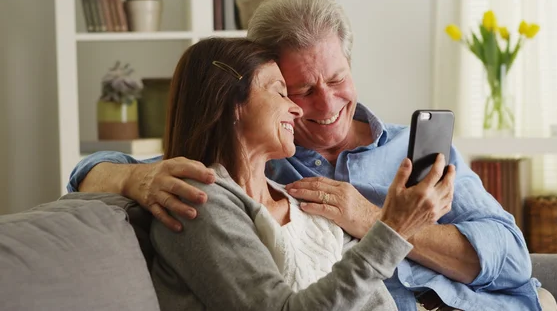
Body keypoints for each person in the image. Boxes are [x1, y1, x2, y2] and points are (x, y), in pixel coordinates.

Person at [69, 0, 554, 310]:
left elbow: (513, 259)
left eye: (338, 79)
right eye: (298, 90)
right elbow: (91, 171)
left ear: (350, 65)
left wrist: (369, 218)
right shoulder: (263, 164)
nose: (325, 105)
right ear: (258, 90)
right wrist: (132, 180)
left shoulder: (412, 148)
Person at [149, 36, 454, 311]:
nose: (296, 109)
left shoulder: (307, 202)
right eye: (281, 92)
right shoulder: (196, 199)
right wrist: (393, 229)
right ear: (230, 104)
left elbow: (376, 304)